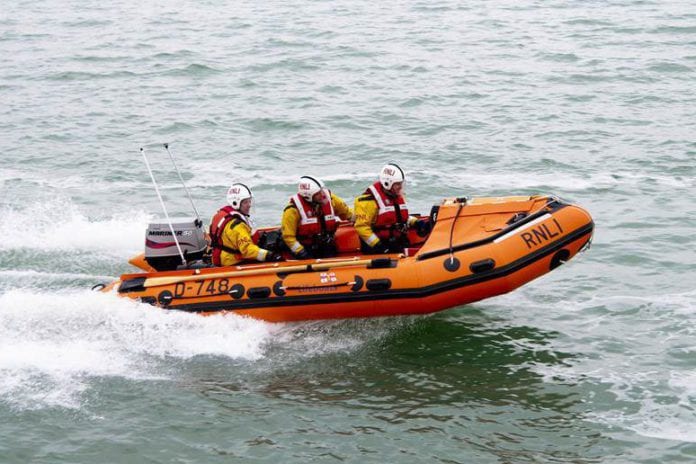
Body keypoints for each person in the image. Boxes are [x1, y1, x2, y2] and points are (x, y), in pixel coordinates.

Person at [354, 163, 431, 254]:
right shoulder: (369, 202)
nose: (400, 187)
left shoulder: (396, 196)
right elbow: (362, 227)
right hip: (379, 247)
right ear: (388, 183)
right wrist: (378, 245)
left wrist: (416, 222)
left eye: (401, 183)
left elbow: (399, 218)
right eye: (397, 184)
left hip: (396, 242)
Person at [209, 183, 283, 266]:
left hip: (224, 256)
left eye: (249, 201)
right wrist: (270, 255)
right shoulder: (237, 226)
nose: (249, 205)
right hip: (232, 261)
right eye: (245, 202)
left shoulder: (221, 215)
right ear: (235, 203)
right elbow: (247, 250)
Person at [281, 176, 354, 259]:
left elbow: (347, 213)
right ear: (308, 196)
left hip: (327, 245)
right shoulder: (292, 210)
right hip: (306, 249)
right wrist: (301, 252)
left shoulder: (331, 199)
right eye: (318, 193)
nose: (322, 195)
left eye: (321, 191)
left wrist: (362, 220)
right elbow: (288, 237)